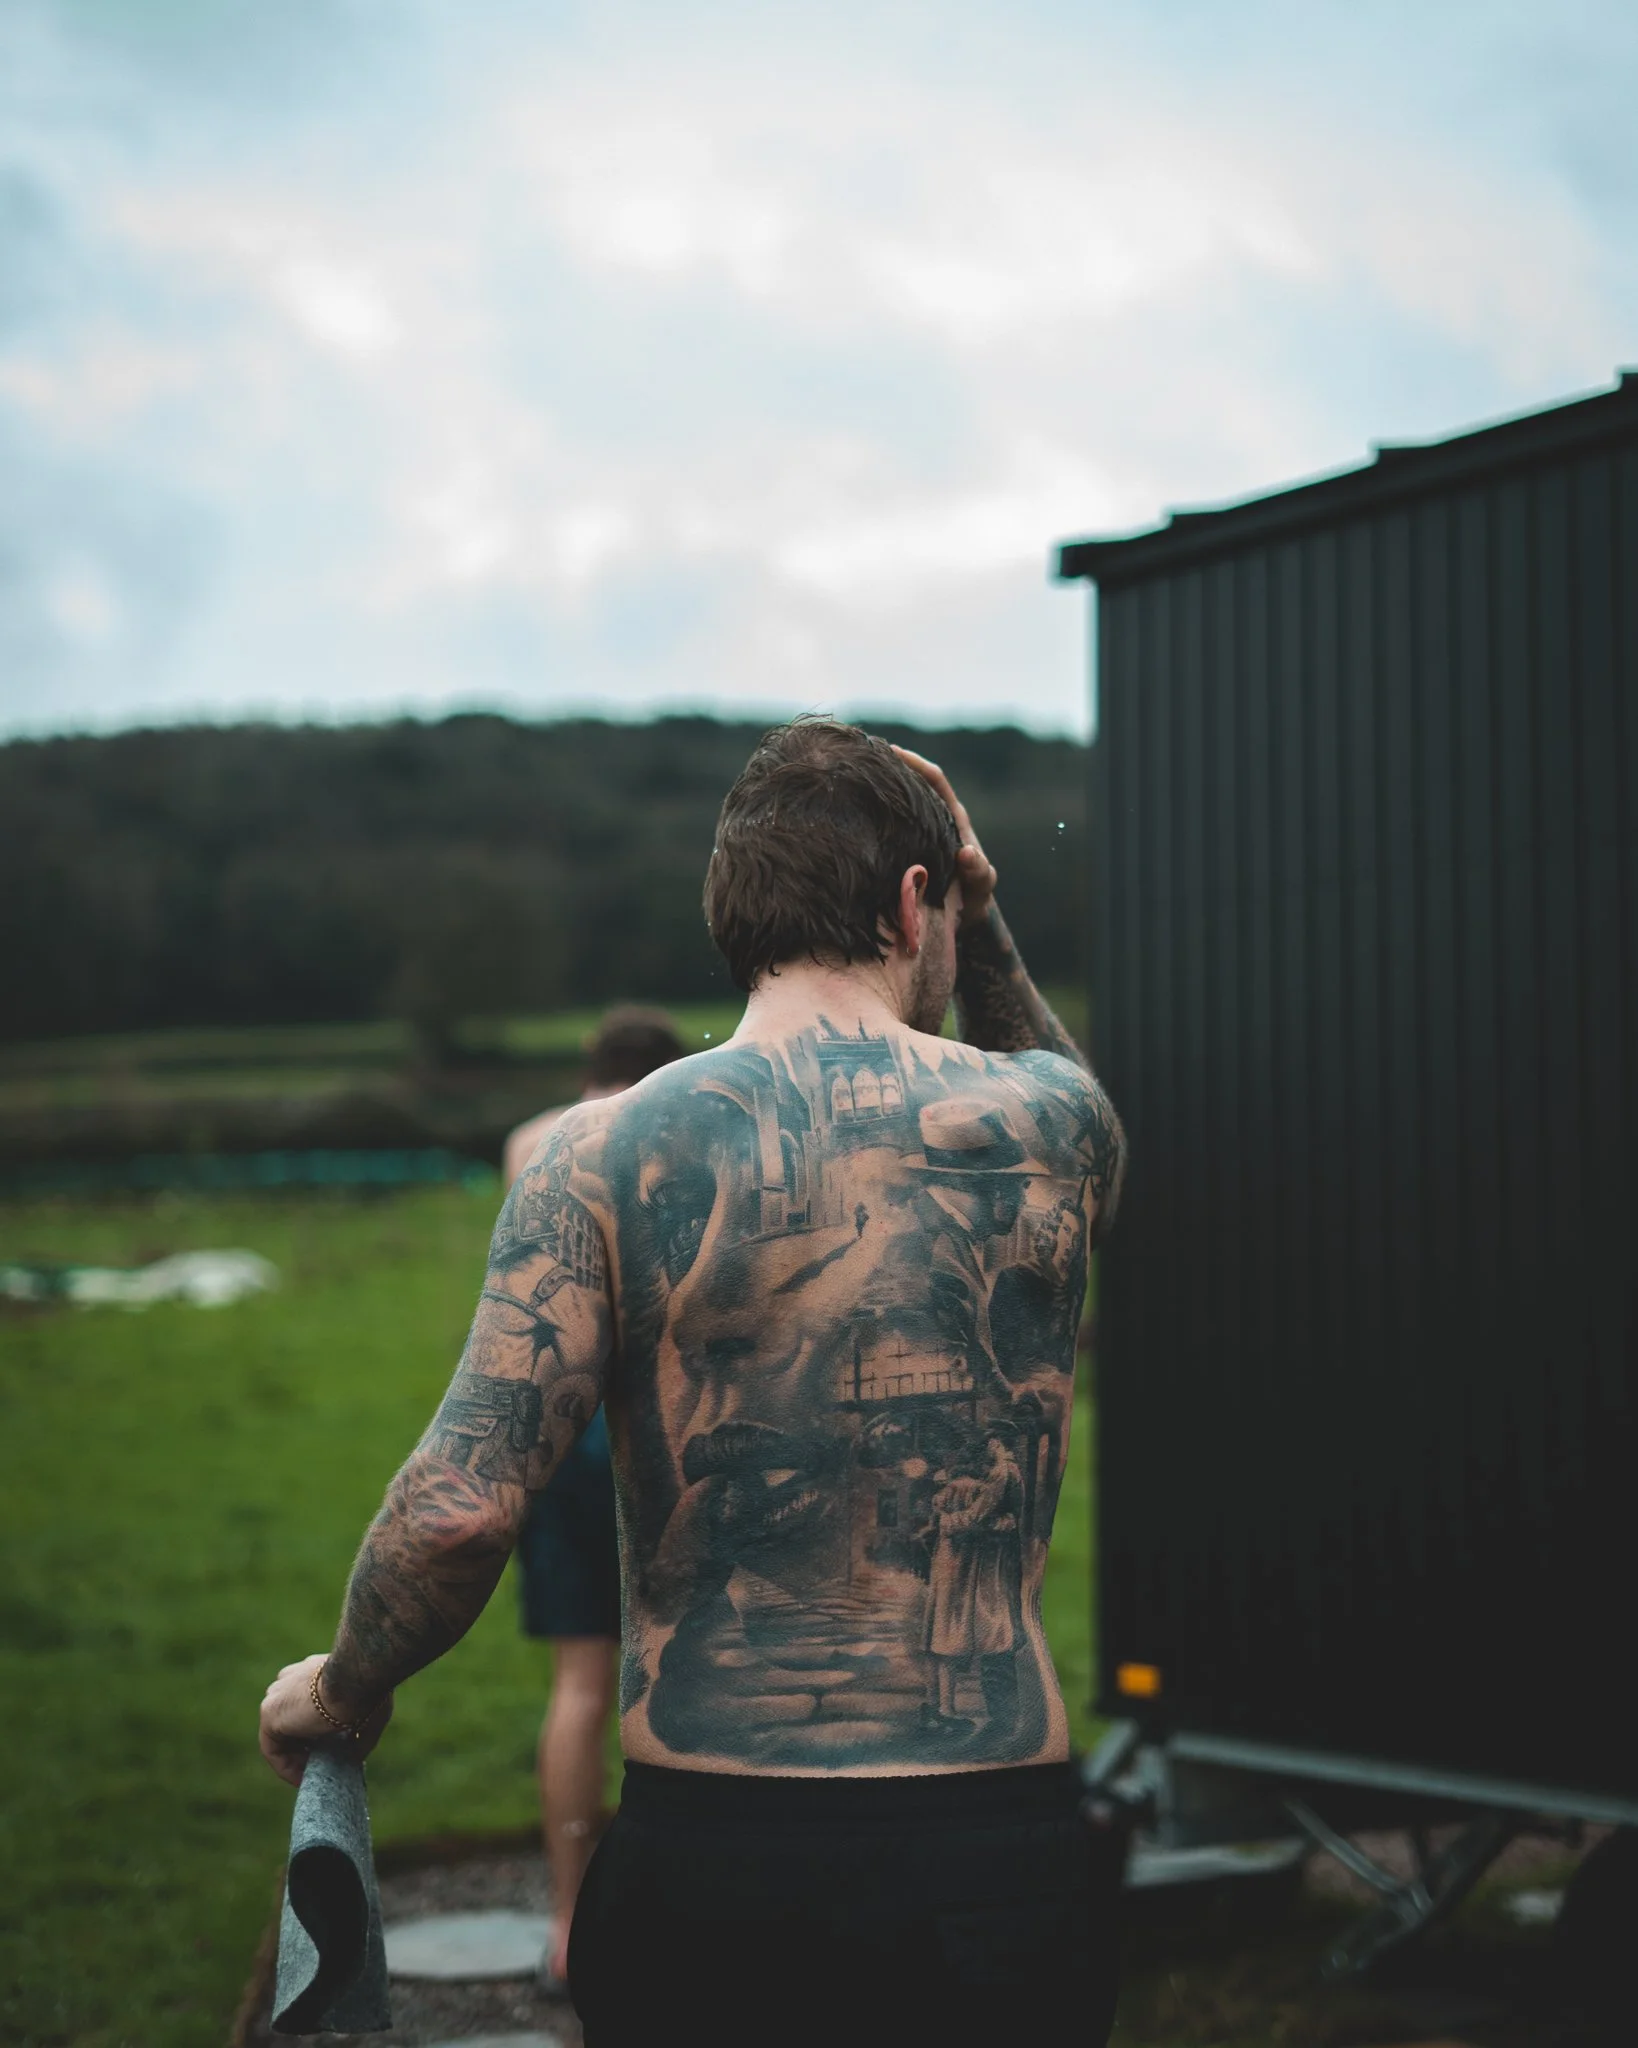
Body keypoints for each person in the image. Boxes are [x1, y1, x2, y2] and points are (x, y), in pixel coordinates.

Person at [259, 720, 1128, 2048]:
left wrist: (346, 1686)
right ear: (915, 903)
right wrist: (986, 913)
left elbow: (458, 1510)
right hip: (995, 1858)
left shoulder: (596, 1153)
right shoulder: (1051, 1127)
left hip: (717, 1861)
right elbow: (1075, 1104)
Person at [502, 1007, 684, 1992]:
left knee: (579, 1684)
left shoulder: (533, 1139)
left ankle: (569, 1924)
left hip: (561, 1424)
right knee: (688, 1670)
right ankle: (686, 1914)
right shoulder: (679, 1129)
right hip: (661, 1422)